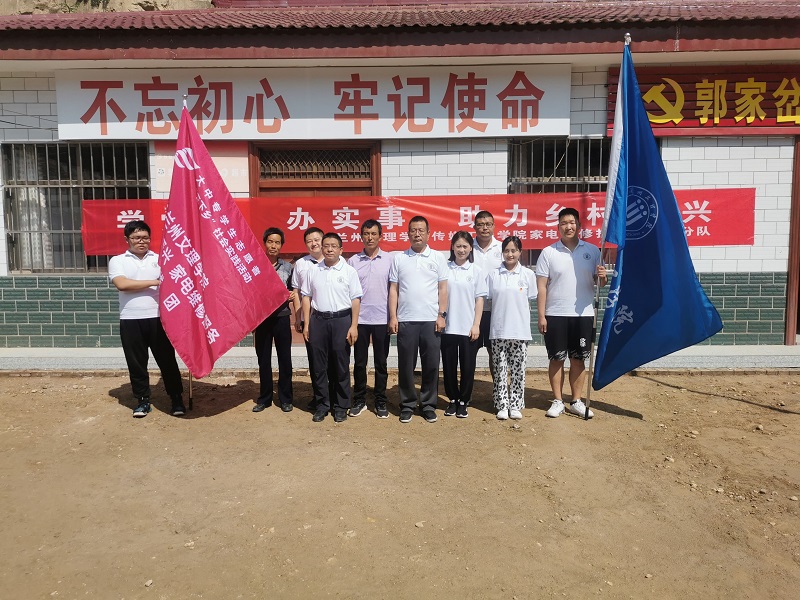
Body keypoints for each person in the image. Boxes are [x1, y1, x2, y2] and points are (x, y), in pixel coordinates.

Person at [108, 220, 185, 418]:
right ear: (127, 239)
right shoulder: (118, 260)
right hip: (130, 319)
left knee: (167, 361)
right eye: (136, 238)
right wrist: (155, 282)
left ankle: (176, 398)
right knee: (136, 363)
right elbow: (122, 284)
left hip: (158, 318)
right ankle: (142, 401)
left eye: (145, 238)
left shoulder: (160, 259)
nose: (141, 241)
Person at [535, 207, 607, 419]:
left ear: (579, 225)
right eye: (564, 223)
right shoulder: (549, 252)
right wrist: (541, 315)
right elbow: (541, 287)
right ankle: (557, 401)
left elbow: (600, 283)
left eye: (572, 222)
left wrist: (603, 276)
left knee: (578, 360)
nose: (568, 226)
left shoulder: (592, 251)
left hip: (583, 314)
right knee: (557, 359)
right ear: (558, 227)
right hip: (555, 314)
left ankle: (576, 401)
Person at [388, 215, 449, 423]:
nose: (417, 234)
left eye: (421, 230)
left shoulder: (437, 258)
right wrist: (393, 316)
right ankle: (407, 404)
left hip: (431, 320)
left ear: (428, 233)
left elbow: (443, 289)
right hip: (406, 319)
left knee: (431, 365)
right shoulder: (399, 259)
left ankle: (428, 405)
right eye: (413, 230)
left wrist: (442, 315)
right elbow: (394, 290)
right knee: (406, 365)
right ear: (408, 233)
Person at [301, 232, 362, 423]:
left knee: (340, 364)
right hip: (318, 320)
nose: (329, 249)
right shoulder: (313, 270)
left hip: (341, 320)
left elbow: (356, 300)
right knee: (319, 366)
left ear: (340, 250)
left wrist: (354, 325)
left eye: (333, 246)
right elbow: (306, 297)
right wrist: (307, 324)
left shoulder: (349, 271)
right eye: (326, 246)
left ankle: (341, 405)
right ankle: (322, 405)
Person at [487, 236, 537, 421]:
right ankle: (502, 404)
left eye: (514, 250)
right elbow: (489, 298)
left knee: (518, 371)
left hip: (519, 331)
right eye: (507, 251)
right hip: (498, 330)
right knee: (499, 370)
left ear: (520, 252)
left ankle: (515, 405)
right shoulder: (494, 275)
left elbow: (532, 298)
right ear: (502, 252)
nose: (510, 254)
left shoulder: (528, 275)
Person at [347, 219, 392, 418]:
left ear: (380, 236)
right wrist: (352, 322)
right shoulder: (353, 261)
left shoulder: (390, 260)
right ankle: (359, 400)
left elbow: (395, 290)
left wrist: (393, 317)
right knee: (359, 362)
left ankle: (381, 401)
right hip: (361, 320)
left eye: (374, 234)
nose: (370, 237)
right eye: (366, 234)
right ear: (361, 236)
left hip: (383, 319)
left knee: (381, 363)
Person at [441, 231, 487, 419]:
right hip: (448, 327)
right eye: (458, 246)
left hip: (468, 327)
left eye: (465, 246)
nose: (461, 250)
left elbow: (479, 300)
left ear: (470, 248)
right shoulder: (444, 269)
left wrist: (476, 324)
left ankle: (464, 401)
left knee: (468, 367)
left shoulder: (476, 271)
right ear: (452, 247)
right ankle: (452, 399)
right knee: (449, 366)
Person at [253, 227, 296, 413]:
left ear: (281, 245)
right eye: (270, 242)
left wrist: (292, 295)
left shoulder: (287, 267)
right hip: (262, 320)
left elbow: (293, 290)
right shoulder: (256, 265)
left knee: (285, 359)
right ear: (265, 243)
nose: (273, 245)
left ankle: (286, 398)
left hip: (282, 318)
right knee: (264, 360)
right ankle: (265, 398)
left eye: (277, 242)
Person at [291, 226, 336, 410]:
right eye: (309, 241)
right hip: (310, 320)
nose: (314, 244)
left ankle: (334, 397)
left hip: (332, 320)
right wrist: (298, 317)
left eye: (317, 240)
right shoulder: (301, 264)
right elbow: (296, 292)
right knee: (315, 361)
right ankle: (319, 397)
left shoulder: (336, 261)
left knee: (333, 359)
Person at [472, 211, 503, 377]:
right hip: (471, 309)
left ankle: (498, 388)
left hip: (496, 309)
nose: (485, 228)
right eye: (480, 225)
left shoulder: (502, 248)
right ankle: (467, 389)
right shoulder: (467, 247)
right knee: (470, 351)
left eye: (488, 224)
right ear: (474, 227)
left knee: (495, 352)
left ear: (494, 226)